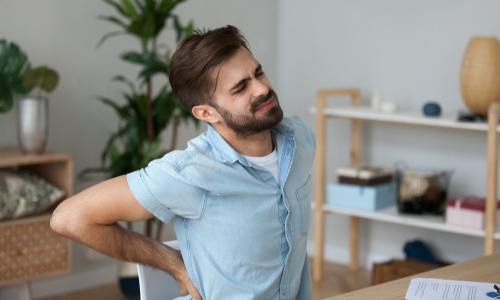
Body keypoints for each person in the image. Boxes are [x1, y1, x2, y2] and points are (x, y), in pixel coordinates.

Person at [51, 25, 316, 300]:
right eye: (241, 88)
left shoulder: (299, 139)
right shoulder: (190, 173)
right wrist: (172, 263)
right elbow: (69, 218)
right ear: (206, 113)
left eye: (258, 72)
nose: (262, 88)